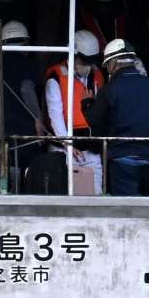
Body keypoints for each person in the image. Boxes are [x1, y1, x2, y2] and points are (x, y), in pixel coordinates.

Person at [86, 39, 149, 196]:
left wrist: (87, 104)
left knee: (125, 212)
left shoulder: (109, 90)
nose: (108, 70)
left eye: (108, 65)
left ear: (114, 63)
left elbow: (94, 122)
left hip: (121, 160)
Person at [44, 29, 108, 193]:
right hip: (64, 147)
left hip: (92, 147)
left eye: (91, 62)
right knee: (65, 194)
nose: (88, 66)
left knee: (95, 193)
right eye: (84, 61)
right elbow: (55, 115)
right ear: (73, 56)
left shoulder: (97, 76)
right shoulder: (56, 78)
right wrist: (68, 144)